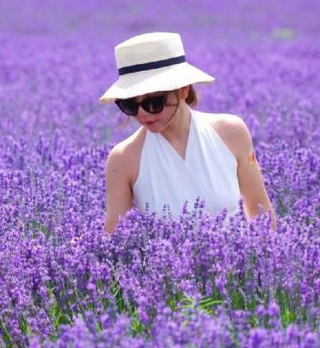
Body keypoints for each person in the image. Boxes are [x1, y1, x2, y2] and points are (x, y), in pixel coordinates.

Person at [99, 32, 277, 233]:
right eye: (129, 104)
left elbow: (261, 213)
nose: (141, 113)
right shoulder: (124, 159)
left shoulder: (231, 133)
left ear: (183, 90)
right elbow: (114, 240)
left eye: (153, 102)